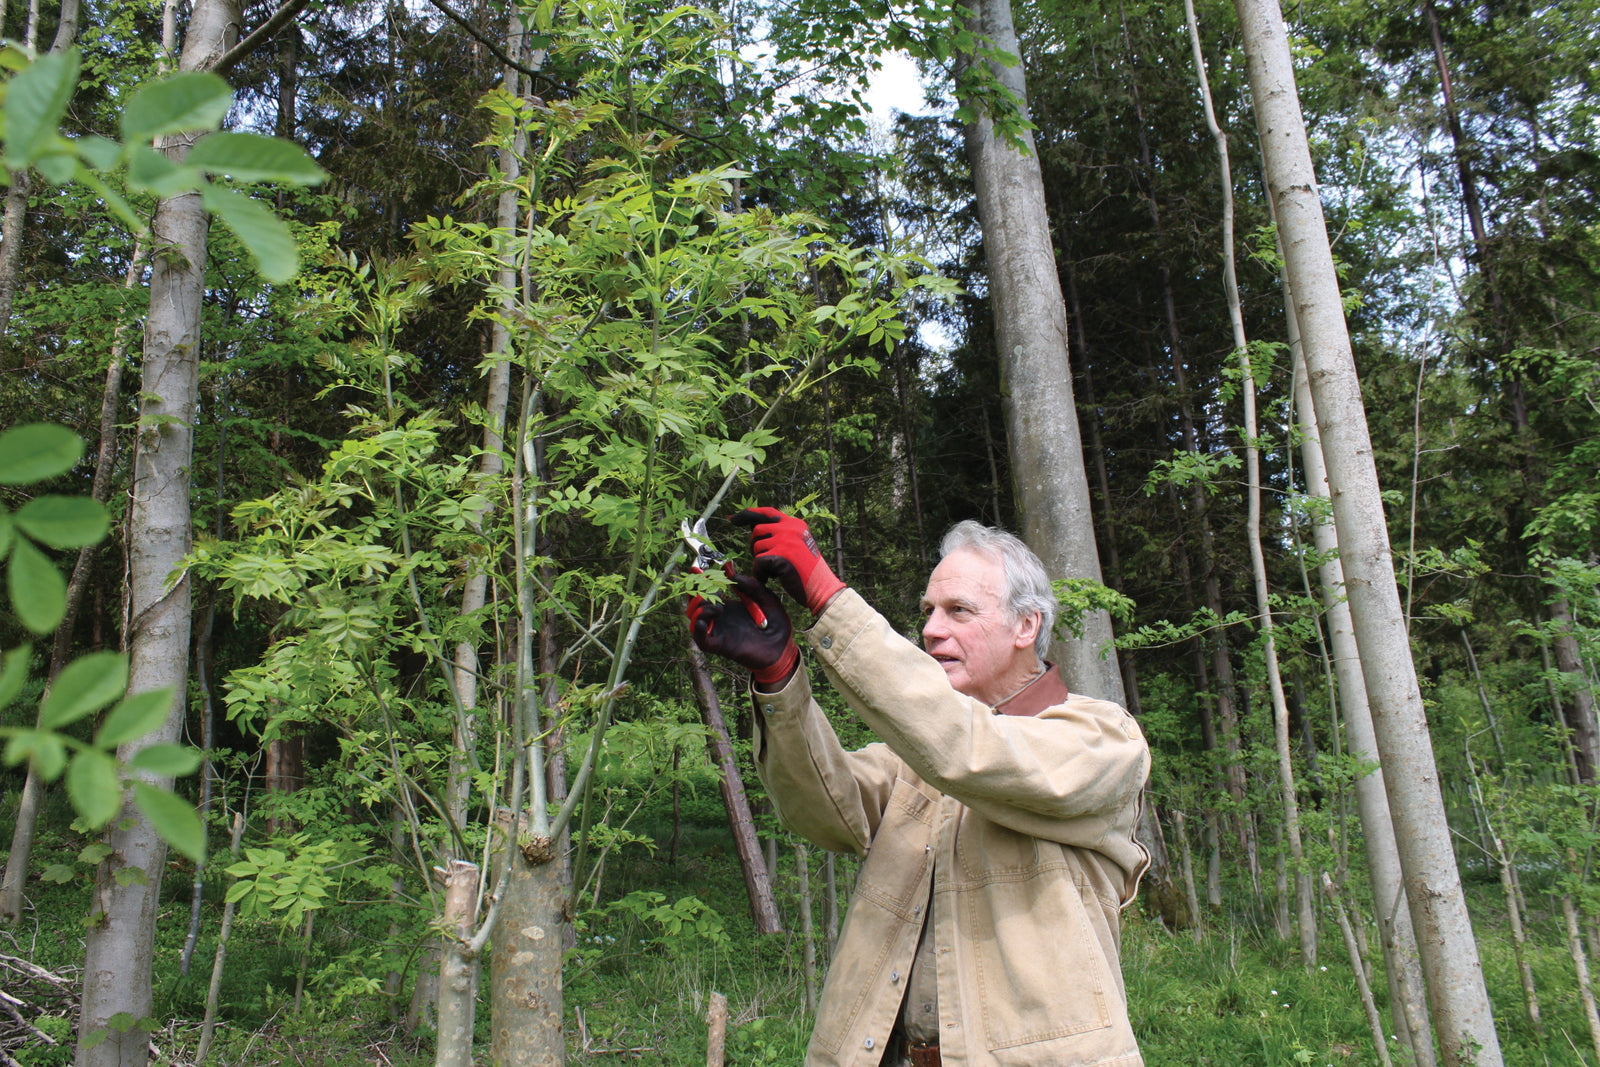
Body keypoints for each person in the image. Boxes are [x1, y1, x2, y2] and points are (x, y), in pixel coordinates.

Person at [688, 508, 1150, 1067]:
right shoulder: (916, 760)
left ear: (1026, 626)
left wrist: (828, 597)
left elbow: (971, 752)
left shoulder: (1103, 740)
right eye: (929, 611)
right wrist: (779, 674)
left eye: (959, 611)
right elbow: (823, 811)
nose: (932, 628)